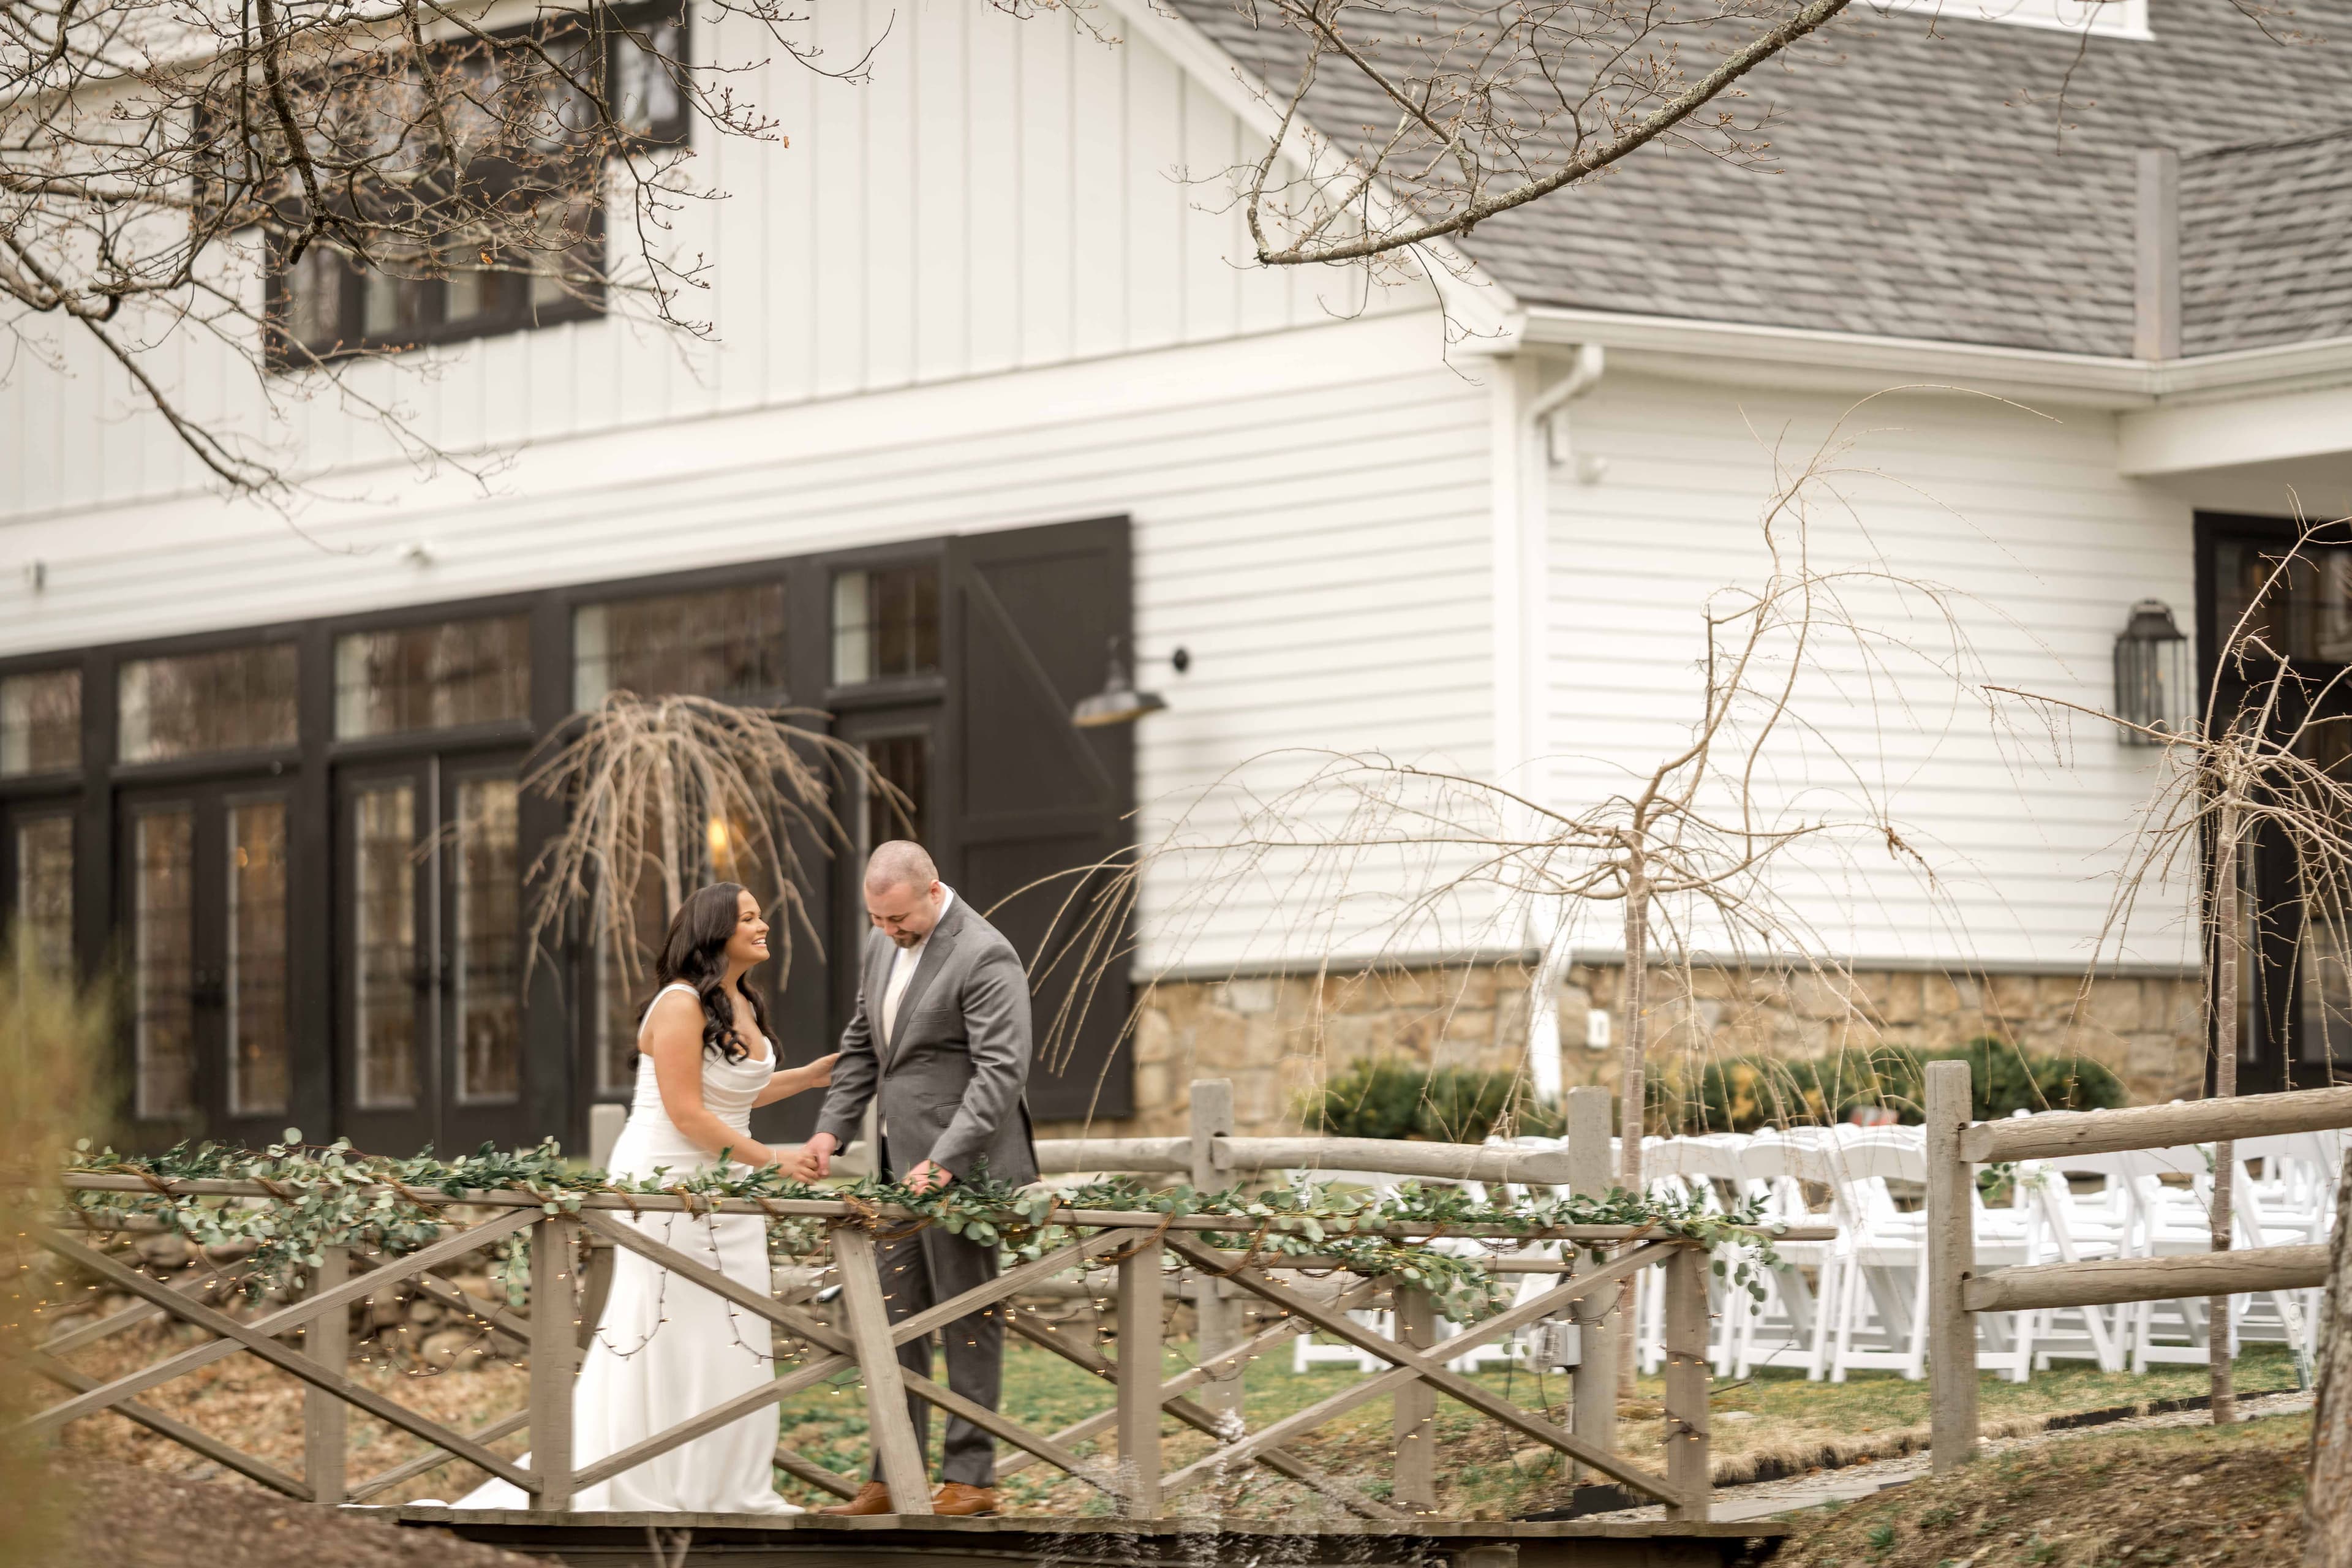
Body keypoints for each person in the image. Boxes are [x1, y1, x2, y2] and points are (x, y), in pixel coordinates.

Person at [451, 883, 835, 1513]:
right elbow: (686, 1112)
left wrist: (810, 1076)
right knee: (669, 1327)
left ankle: (726, 1486)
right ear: (715, 932)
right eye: (748, 917)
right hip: (669, 1184)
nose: (763, 924)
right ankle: (644, 1476)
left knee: (736, 1329)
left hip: (725, 1185)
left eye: (760, 914)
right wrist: (774, 1159)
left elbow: (731, 1095)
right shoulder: (680, 1003)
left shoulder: (740, 999)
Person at [802, 840, 1039, 1518]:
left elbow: (1001, 1073)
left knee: (967, 1318)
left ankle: (972, 1479)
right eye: (877, 919)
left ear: (933, 891)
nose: (887, 931)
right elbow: (860, 1046)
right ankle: (890, 1474)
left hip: (965, 1173)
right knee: (893, 1319)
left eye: (898, 918)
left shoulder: (985, 953)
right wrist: (831, 1130)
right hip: (896, 1173)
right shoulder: (881, 946)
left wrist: (946, 1160)